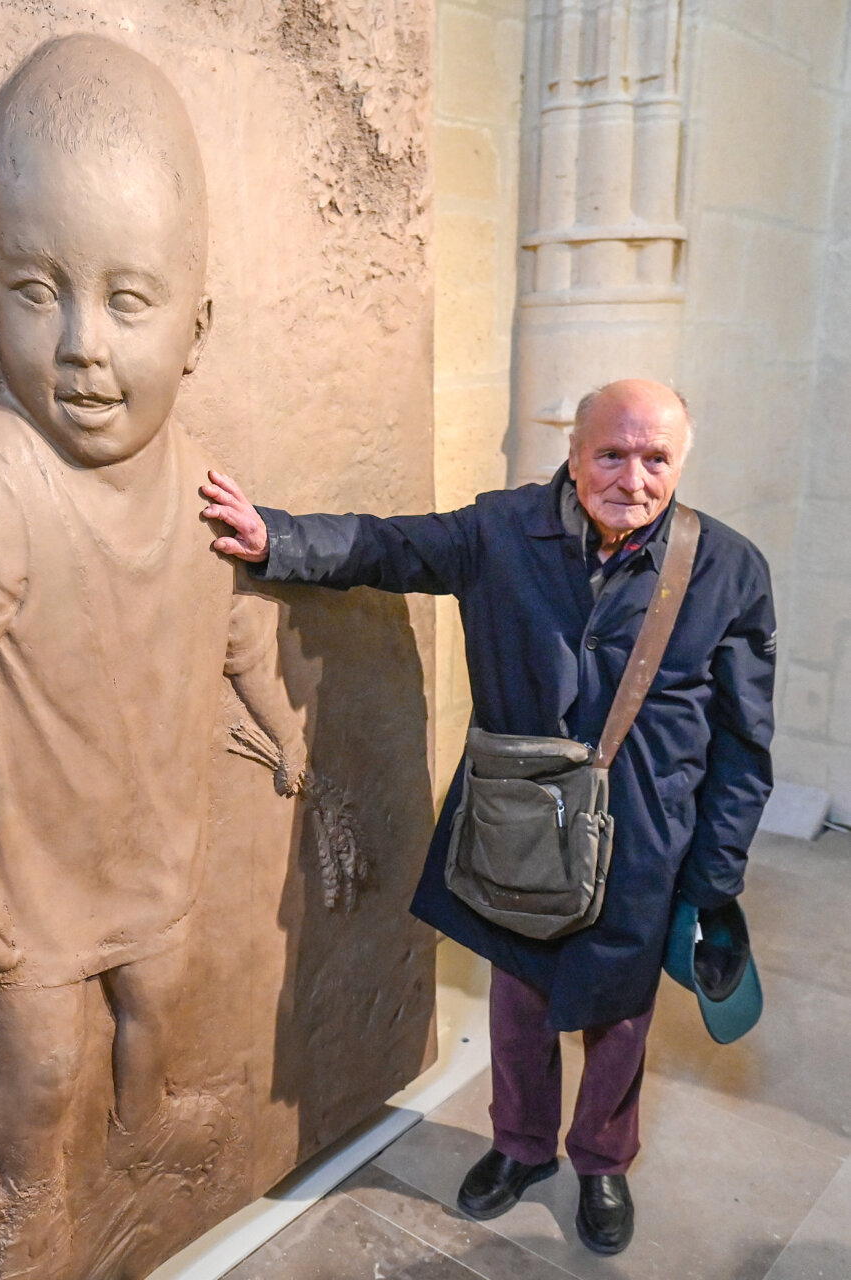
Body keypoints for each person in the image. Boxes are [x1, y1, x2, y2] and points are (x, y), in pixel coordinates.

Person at [0, 35, 313, 1280]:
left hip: (152, 842)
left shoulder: (202, 488)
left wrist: (281, 721)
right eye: (36, 290)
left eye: (128, 298)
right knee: (41, 1065)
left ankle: (148, 1117)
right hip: (35, 876)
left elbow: (237, 633)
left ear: (196, 323)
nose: (83, 345)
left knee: (162, 989)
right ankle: (31, 1197)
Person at [201, 378, 775, 1255]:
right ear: (573, 453)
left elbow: (743, 741)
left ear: (681, 462)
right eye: (611, 453)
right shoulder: (501, 530)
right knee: (520, 996)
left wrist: (717, 873)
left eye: (655, 457)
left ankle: (601, 1162)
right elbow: (387, 547)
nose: (633, 476)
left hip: (648, 837)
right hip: (519, 823)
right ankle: (519, 1147)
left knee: (619, 1016)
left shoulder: (730, 567)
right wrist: (277, 535)